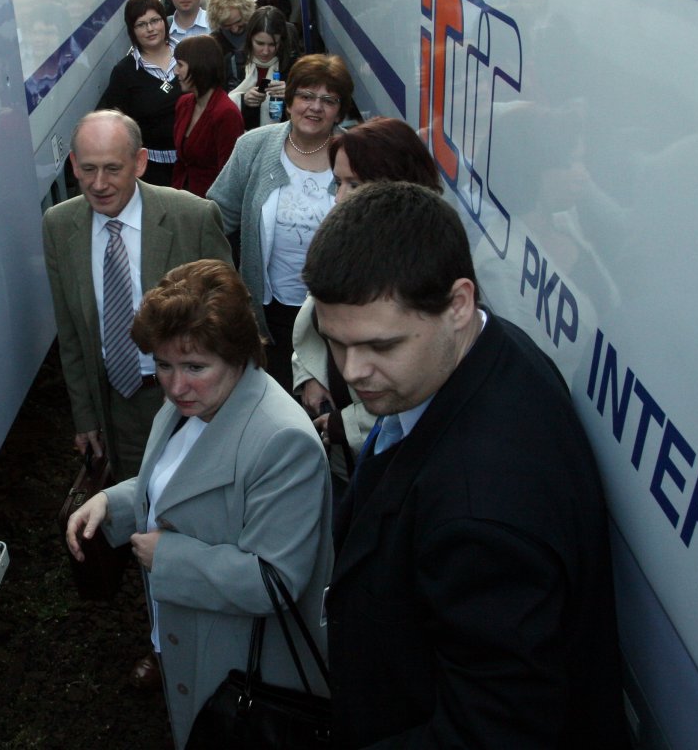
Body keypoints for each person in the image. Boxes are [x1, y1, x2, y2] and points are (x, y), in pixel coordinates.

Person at [305, 182, 630, 748]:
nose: (353, 372)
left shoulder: (481, 514)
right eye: (335, 341)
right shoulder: (485, 351)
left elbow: (493, 731)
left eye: (381, 346)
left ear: (458, 304)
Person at [65, 259, 331, 749]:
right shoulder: (196, 403)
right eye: (163, 365)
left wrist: (169, 558)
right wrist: (111, 503)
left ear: (239, 354)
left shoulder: (281, 441)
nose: (174, 385)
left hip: (241, 672)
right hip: (196, 643)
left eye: (194, 367)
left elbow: (274, 580)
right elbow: (179, 481)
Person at [42, 111, 232, 480]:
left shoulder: (192, 217)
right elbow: (71, 334)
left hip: (194, 400)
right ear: (73, 165)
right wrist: (85, 417)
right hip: (118, 408)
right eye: (88, 169)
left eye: (112, 169)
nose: (99, 184)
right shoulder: (59, 226)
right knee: (137, 498)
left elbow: (232, 322)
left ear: (140, 162)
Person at [287, 118, 441, 494]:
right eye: (338, 183)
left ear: (398, 184)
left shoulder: (426, 268)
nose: (340, 198)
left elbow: (417, 387)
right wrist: (309, 375)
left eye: (355, 184)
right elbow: (315, 311)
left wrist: (345, 424)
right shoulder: (353, 238)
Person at [206, 55, 352, 386]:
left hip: (334, 320)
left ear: (340, 111)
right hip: (268, 316)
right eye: (306, 96)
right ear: (288, 102)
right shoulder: (253, 147)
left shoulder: (356, 157)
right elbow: (215, 221)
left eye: (329, 100)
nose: (315, 107)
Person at [99, 0, 180, 186]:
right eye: (141, 24)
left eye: (155, 21)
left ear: (164, 21)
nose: (150, 29)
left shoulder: (189, 55)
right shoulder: (124, 73)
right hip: (150, 173)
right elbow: (117, 125)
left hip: (195, 165)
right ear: (132, 31)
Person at [172, 36, 243, 197]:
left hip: (210, 204)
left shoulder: (226, 113)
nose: (175, 71)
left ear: (199, 66)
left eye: (180, 65)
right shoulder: (183, 104)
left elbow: (229, 175)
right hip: (180, 199)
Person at [227, 6, 302, 131]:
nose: (266, 51)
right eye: (260, 43)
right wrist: (244, 100)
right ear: (250, 39)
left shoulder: (294, 67)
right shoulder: (235, 62)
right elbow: (221, 106)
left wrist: (292, 94)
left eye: (273, 44)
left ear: (281, 41)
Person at [205, 0, 257, 90]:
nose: (235, 29)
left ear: (246, 11)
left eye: (238, 22)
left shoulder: (259, 29)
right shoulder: (214, 43)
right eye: (227, 25)